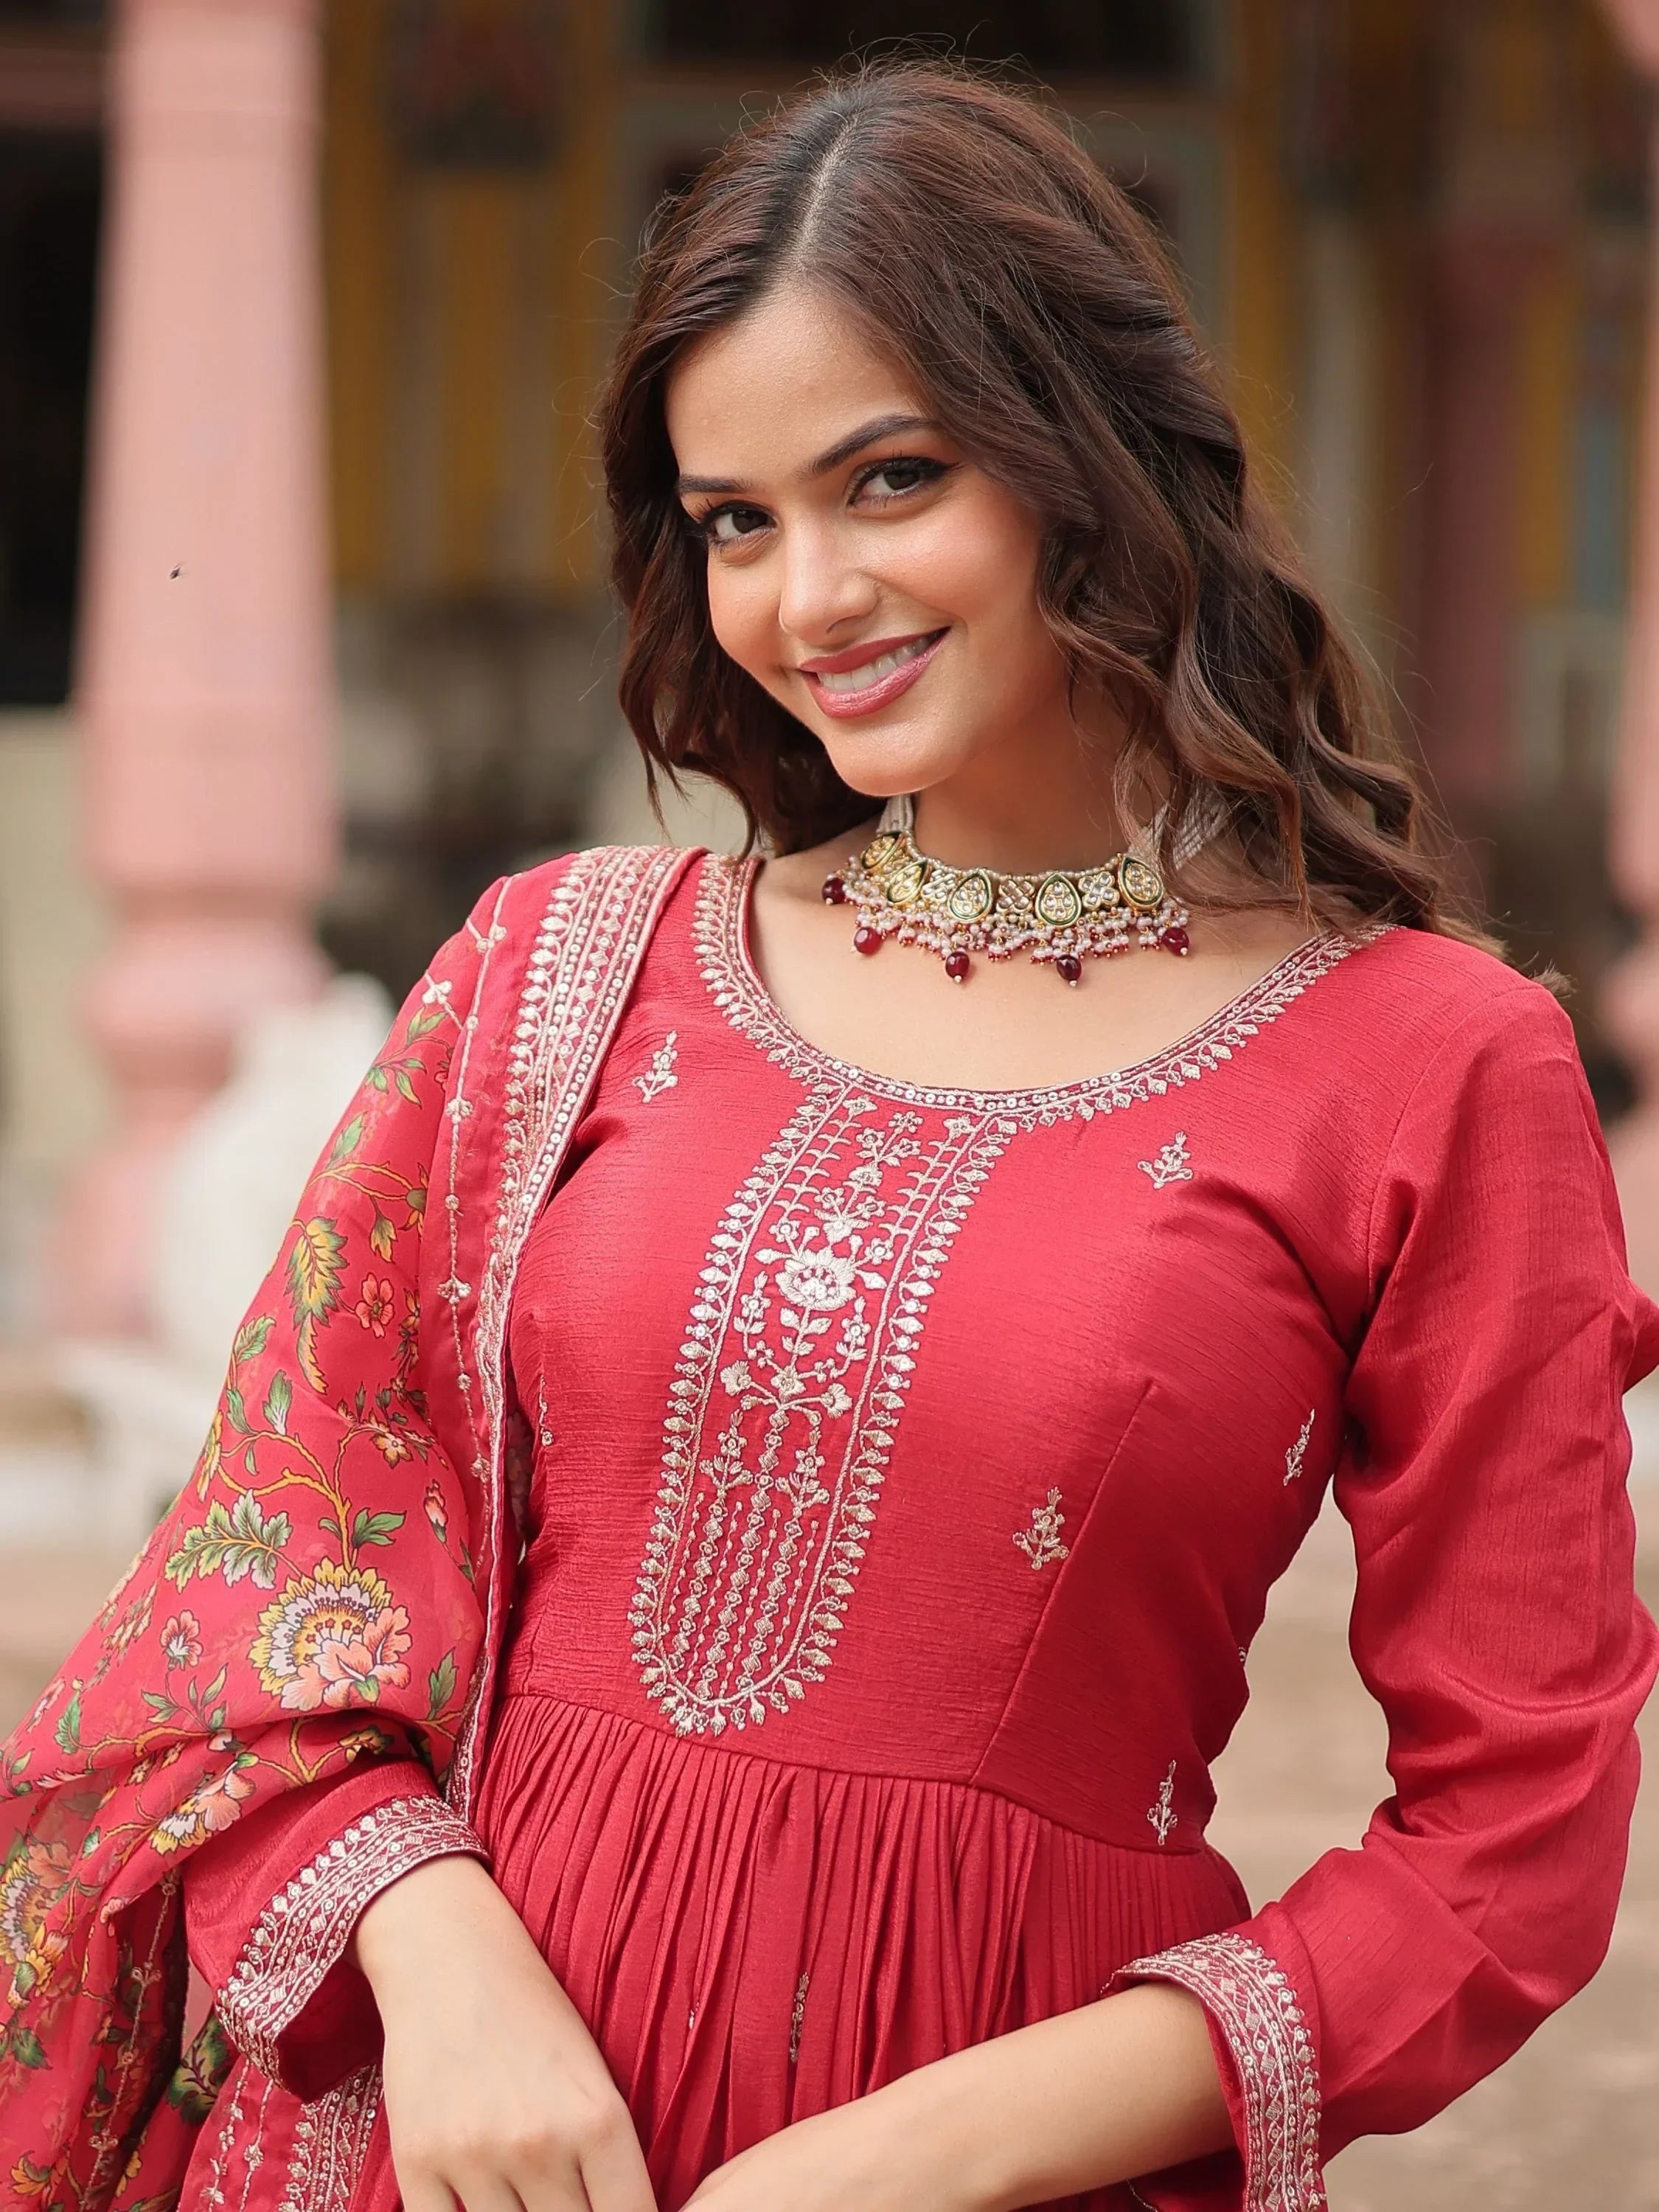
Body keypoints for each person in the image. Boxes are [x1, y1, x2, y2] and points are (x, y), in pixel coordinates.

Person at [4, 58, 1654, 2212]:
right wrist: (448, 1968)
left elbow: (1508, 1844)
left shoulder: (1430, 1061)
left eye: (889, 480)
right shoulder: (554, 975)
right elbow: (264, 1573)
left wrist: (912, 2158)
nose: (805, 600)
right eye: (734, 523)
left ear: (1087, 463)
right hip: (428, 2144)